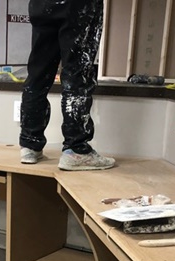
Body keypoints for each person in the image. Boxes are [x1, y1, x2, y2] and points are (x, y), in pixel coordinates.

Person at [19, 0, 115, 171]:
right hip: (77, 5)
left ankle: (30, 145)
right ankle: (77, 151)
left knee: (38, 73)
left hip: (41, 5)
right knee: (77, 76)